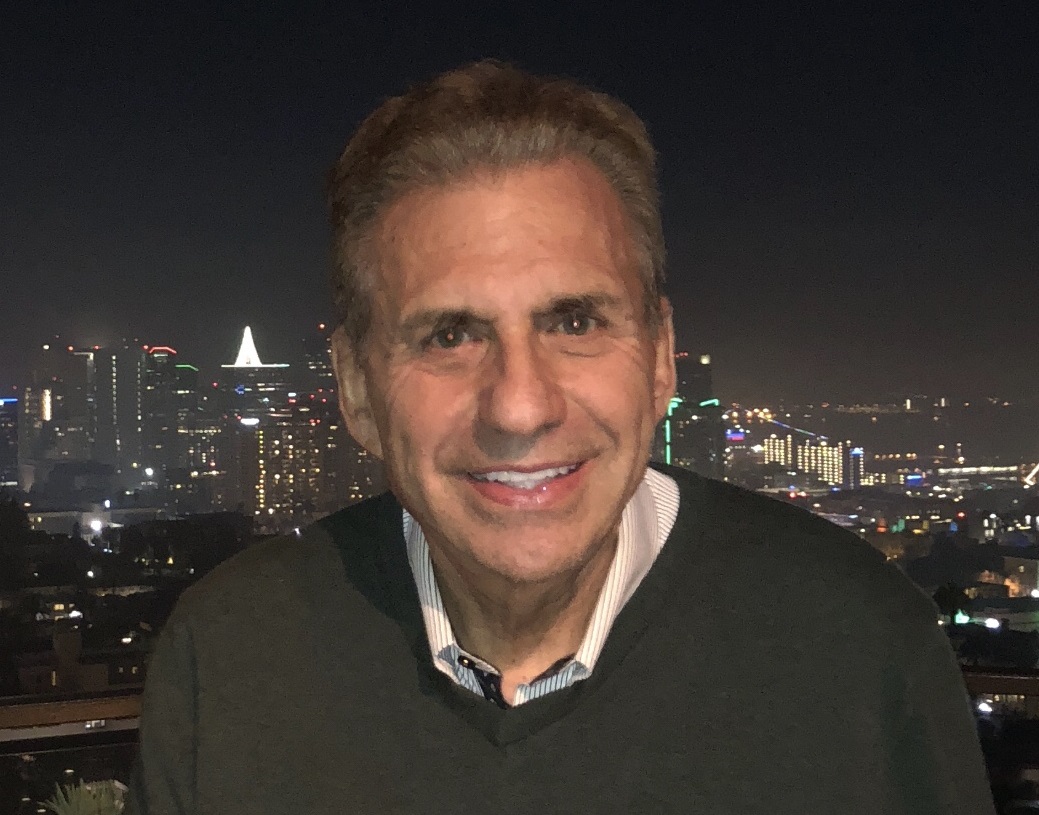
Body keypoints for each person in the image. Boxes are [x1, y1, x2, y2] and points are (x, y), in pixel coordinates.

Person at [127, 61, 995, 814]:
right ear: (356, 390)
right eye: (448, 335)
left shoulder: (857, 644)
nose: (519, 406)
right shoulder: (232, 656)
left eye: (574, 321)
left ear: (659, 358)